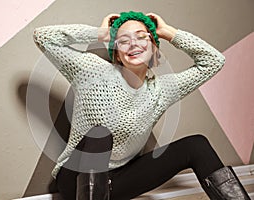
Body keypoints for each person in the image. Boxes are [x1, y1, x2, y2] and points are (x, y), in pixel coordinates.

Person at [33, 11, 250, 200]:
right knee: (100, 134)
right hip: (76, 180)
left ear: (154, 47)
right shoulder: (92, 71)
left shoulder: (161, 89)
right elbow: (43, 37)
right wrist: (100, 34)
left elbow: (213, 61)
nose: (134, 44)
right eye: (124, 40)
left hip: (119, 182)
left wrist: (169, 32)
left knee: (196, 144)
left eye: (141, 37)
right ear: (116, 52)